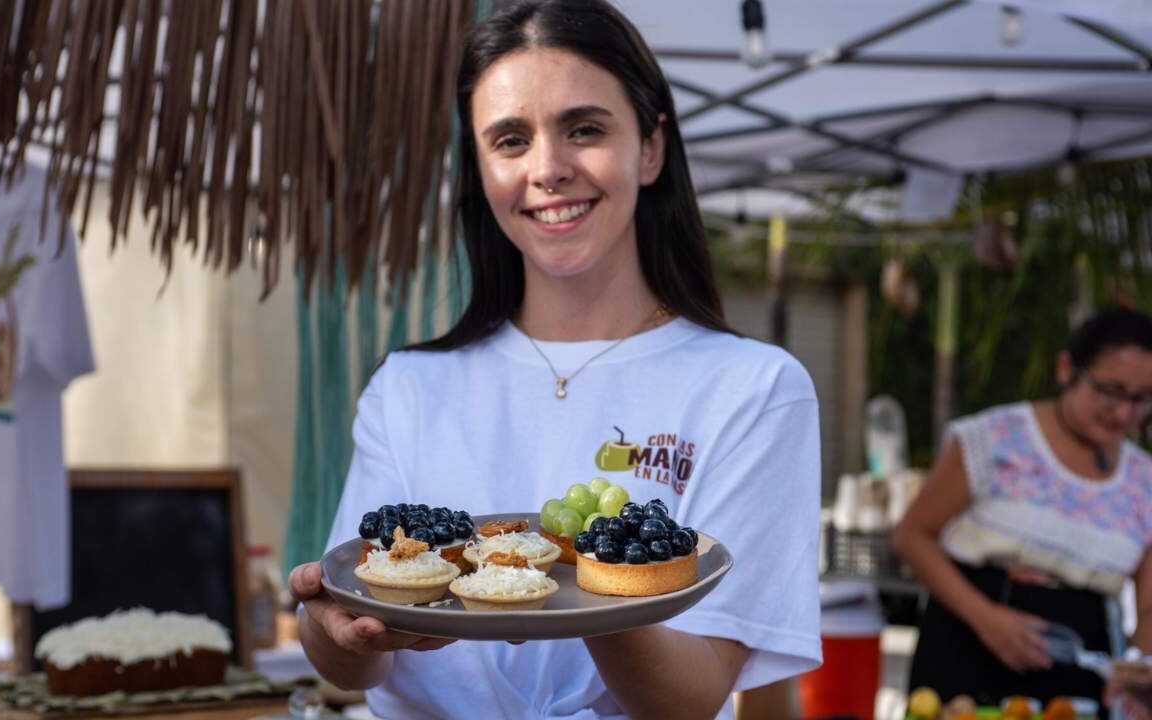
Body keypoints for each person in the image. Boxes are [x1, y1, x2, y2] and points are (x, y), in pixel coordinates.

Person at [286, 1, 822, 718]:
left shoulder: (754, 389)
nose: (548, 169)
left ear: (652, 148)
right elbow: (355, 658)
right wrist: (330, 631)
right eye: (510, 140)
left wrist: (579, 573)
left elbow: (692, 697)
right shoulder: (409, 388)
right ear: (480, 171)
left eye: (586, 129)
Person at [893, 307, 1152, 714]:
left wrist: (1135, 666)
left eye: (1140, 399)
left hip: (1079, 672)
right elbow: (912, 536)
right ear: (1068, 369)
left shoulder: (1144, 479)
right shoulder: (994, 438)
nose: (1123, 412)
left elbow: (1150, 604)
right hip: (966, 651)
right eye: (1109, 390)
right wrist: (988, 620)